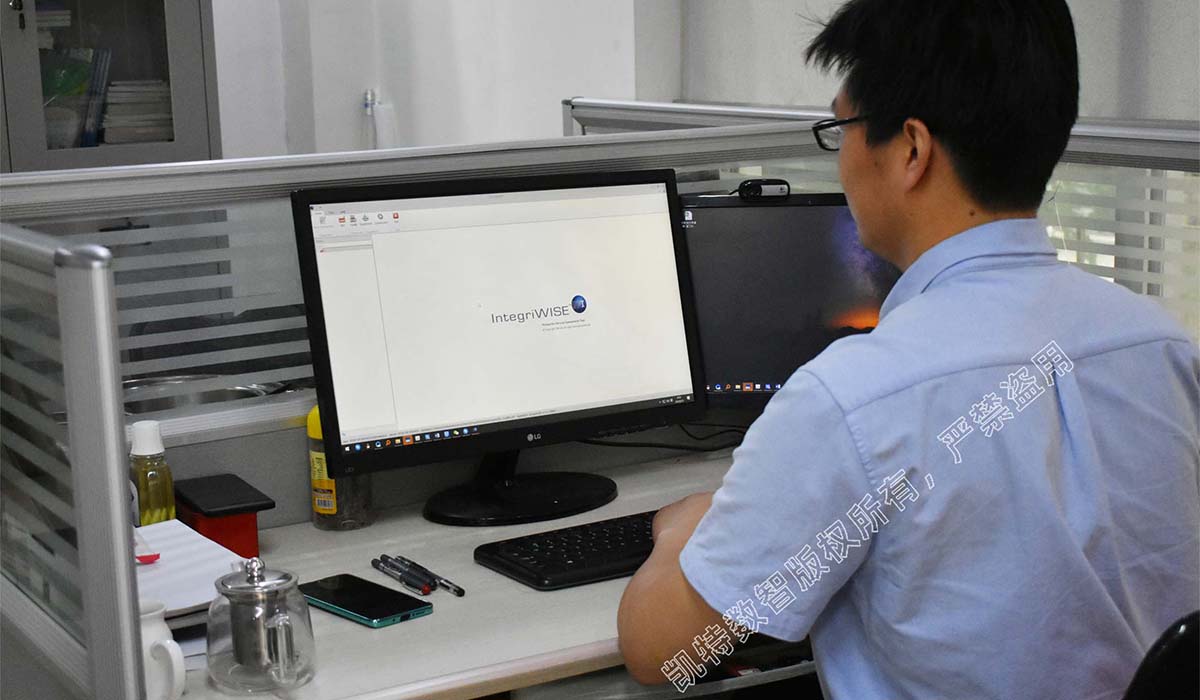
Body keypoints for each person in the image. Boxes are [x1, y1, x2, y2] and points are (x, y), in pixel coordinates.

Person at [616, 1, 1200, 697]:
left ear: (911, 151)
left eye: (843, 129)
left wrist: (682, 533)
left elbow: (664, 654)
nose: (842, 159)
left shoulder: (853, 400)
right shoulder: (1164, 347)